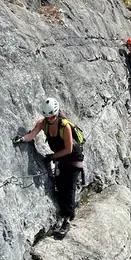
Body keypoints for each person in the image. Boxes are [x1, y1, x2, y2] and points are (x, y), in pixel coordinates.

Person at [15, 97, 83, 238]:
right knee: (59, 185)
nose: (50, 118)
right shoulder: (43, 123)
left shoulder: (65, 126)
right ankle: (69, 211)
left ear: (57, 113)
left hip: (72, 159)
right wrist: (21, 139)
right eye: (47, 116)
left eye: (52, 116)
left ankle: (66, 221)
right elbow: (32, 135)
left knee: (68, 188)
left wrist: (52, 157)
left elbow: (69, 149)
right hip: (60, 158)